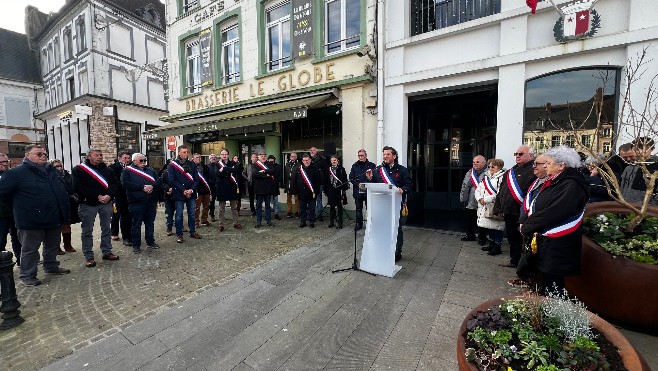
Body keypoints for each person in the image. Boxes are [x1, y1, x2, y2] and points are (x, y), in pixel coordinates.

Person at [520, 146, 589, 294]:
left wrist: (527, 226)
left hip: (559, 244)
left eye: (548, 163)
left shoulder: (571, 184)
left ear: (561, 165)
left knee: (553, 285)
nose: (545, 166)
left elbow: (554, 211)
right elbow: (539, 203)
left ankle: (552, 313)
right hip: (548, 242)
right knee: (545, 279)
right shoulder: (556, 180)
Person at [0, 145, 71, 286]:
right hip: (30, 219)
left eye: (45, 153)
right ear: (27, 155)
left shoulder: (52, 171)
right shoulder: (16, 173)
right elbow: (3, 195)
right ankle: (27, 275)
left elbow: (62, 190)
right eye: (39, 154)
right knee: (30, 249)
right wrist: (22, 209)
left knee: (52, 245)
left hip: (53, 216)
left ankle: (51, 266)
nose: (43, 156)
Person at [73, 149, 121, 268]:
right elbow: (78, 187)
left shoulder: (107, 170)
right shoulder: (79, 169)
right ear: (89, 157)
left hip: (106, 203)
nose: (99, 157)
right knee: (87, 231)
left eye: (100, 155)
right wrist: (97, 195)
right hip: (88, 204)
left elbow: (115, 184)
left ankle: (107, 251)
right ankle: (89, 256)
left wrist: (109, 195)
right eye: (96, 155)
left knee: (106, 229)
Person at [507, 154, 549, 287]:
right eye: (534, 164)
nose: (534, 166)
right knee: (527, 252)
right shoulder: (537, 180)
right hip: (526, 220)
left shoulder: (549, 182)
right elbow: (529, 202)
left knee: (533, 254)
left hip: (537, 225)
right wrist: (522, 220)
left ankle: (532, 282)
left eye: (538, 164)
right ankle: (526, 278)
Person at [365, 146, 412, 262]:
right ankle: (384, 248)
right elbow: (375, 186)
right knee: (383, 227)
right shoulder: (378, 171)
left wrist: (403, 189)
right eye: (384, 154)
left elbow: (409, 185)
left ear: (394, 156)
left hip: (396, 204)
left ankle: (397, 251)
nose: (385, 156)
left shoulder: (402, 170)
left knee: (396, 228)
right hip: (382, 204)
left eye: (388, 154)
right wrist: (370, 179)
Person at [493, 146, 536, 268]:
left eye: (521, 154)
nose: (517, 156)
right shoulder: (510, 172)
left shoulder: (534, 170)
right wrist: (498, 206)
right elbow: (501, 191)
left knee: (524, 239)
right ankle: (514, 260)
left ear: (531, 156)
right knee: (512, 237)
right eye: (516, 153)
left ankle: (525, 265)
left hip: (523, 212)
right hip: (509, 211)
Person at [121, 153, 161, 253]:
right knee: (136, 225)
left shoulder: (151, 170)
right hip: (136, 202)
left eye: (144, 161)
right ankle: (136, 245)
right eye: (141, 161)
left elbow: (159, 181)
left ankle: (150, 241)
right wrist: (142, 187)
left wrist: (152, 186)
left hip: (151, 202)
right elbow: (125, 183)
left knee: (149, 223)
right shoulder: (127, 171)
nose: (143, 163)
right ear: (134, 161)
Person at [168, 145, 202, 243]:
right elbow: (172, 180)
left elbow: (196, 179)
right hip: (179, 193)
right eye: (183, 152)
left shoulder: (192, 164)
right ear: (178, 153)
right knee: (179, 214)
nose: (186, 154)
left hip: (191, 193)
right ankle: (179, 234)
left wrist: (191, 190)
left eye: (187, 152)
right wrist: (183, 190)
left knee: (191, 214)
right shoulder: (172, 165)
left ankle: (193, 232)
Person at [474, 159, 505, 254]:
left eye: (493, 167)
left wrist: (485, 199)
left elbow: (501, 193)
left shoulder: (502, 177)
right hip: (485, 206)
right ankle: (491, 243)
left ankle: (497, 246)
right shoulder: (486, 176)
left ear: (499, 167)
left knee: (497, 226)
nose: (490, 168)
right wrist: (479, 198)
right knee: (489, 225)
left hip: (495, 206)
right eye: (489, 166)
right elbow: (478, 189)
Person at [50, 159, 79, 255]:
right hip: (56, 204)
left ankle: (67, 245)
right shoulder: (50, 176)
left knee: (67, 224)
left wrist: (73, 195)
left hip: (68, 204)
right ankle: (56, 247)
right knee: (57, 227)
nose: (59, 168)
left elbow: (73, 187)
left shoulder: (68, 176)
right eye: (56, 166)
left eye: (60, 165)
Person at [620, 137, 658, 206]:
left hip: (646, 210)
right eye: (635, 149)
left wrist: (649, 206)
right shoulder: (629, 167)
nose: (637, 151)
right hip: (625, 207)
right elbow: (622, 188)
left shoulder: (656, 166)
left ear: (651, 149)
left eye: (640, 148)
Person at [460, 155, 487, 245]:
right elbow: (464, 185)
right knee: (469, 220)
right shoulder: (469, 172)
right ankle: (470, 235)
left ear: (484, 163)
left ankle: (482, 238)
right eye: (474, 162)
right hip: (470, 201)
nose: (475, 164)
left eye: (477, 162)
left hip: (481, 202)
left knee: (482, 222)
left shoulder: (488, 173)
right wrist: (462, 197)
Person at [0, 153, 22, 263]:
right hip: (1, 214)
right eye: (2, 162)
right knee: (1, 240)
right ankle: (3, 264)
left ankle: (21, 260)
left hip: (14, 211)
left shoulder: (12, 174)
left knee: (18, 237)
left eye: (6, 161)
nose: (5, 164)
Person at [215, 149, 243, 231]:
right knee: (221, 209)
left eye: (226, 154)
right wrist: (228, 171)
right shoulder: (217, 164)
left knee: (234, 207)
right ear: (220, 155)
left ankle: (236, 223)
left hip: (231, 187)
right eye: (222, 154)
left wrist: (224, 169)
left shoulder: (233, 163)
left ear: (228, 155)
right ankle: (221, 224)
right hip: (221, 187)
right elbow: (218, 173)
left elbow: (236, 170)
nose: (224, 156)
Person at [291, 154, 321, 228]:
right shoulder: (299, 169)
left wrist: (316, 192)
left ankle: (311, 222)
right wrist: (295, 191)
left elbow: (318, 181)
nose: (306, 161)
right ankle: (303, 222)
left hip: (311, 193)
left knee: (312, 209)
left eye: (307, 160)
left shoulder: (315, 169)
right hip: (301, 193)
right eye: (304, 160)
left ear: (310, 160)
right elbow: (294, 180)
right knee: (302, 209)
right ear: (302, 161)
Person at [349, 149, 376, 231]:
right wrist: (357, 184)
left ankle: (370, 224)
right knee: (358, 209)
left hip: (368, 191)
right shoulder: (354, 166)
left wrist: (366, 183)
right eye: (359, 155)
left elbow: (374, 177)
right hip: (358, 190)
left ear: (366, 156)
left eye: (362, 155)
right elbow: (351, 177)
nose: (360, 157)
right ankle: (359, 223)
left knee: (370, 209)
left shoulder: (371, 165)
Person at [110, 151, 132, 246]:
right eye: (125, 158)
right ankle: (118, 234)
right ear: (119, 158)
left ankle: (128, 235)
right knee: (117, 215)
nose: (127, 160)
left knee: (127, 216)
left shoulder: (132, 167)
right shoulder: (113, 168)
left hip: (129, 195)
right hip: (118, 195)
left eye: (128, 158)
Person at [251, 152, 276, 227]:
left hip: (267, 189)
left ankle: (269, 221)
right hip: (259, 189)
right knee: (258, 206)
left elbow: (273, 171)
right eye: (261, 156)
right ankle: (259, 221)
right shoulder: (254, 165)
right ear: (258, 157)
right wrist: (266, 175)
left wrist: (264, 171)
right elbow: (255, 174)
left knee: (268, 206)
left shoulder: (268, 164)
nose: (263, 157)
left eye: (264, 156)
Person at [325, 155, 349, 229]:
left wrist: (343, 190)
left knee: (339, 207)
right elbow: (325, 181)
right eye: (332, 160)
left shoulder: (342, 169)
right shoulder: (328, 170)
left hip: (339, 190)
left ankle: (340, 222)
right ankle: (331, 222)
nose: (333, 161)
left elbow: (345, 180)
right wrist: (326, 191)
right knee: (332, 207)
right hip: (331, 190)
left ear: (337, 161)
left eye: (335, 160)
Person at [192, 153, 212, 227]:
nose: (199, 159)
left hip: (206, 189)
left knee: (206, 207)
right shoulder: (191, 167)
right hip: (197, 190)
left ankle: (204, 220)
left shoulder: (205, 167)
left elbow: (208, 178)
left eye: (200, 157)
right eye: (197, 157)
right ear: (193, 159)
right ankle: (196, 222)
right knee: (196, 208)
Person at [310, 147, 328, 221]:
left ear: (316, 151)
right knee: (311, 200)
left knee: (318, 199)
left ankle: (319, 215)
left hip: (319, 183)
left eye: (313, 150)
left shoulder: (322, 160)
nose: (312, 151)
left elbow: (326, 171)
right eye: (311, 150)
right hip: (310, 183)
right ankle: (312, 215)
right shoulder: (308, 160)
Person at [158, 161, 176, 236]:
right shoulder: (165, 172)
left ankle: (180, 227)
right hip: (168, 196)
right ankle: (169, 228)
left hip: (178, 195)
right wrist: (168, 189)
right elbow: (161, 183)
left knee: (179, 213)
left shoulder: (179, 172)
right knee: (169, 212)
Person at [284, 152, 300, 218]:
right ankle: (289, 211)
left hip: (296, 184)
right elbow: (285, 174)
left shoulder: (299, 165)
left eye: (294, 156)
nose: (292, 157)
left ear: (296, 157)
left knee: (297, 199)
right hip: (288, 184)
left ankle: (296, 212)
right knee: (288, 199)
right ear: (290, 157)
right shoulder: (287, 164)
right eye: (291, 156)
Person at [268, 155, 283, 220]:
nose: (271, 161)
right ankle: (268, 214)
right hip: (268, 186)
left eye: (272, 159)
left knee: (276, 201)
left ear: (274, 160)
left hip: (275, 186)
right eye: (270, 160)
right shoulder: (266, 166)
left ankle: (276, 214)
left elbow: (280, 175)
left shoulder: (278, 166)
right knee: (267, 201)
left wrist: (277, 181)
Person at [207, 154, 219, 222]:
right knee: (212, 202)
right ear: (210, 159)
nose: (213, 159)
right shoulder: (207, 167)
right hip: (211, 186)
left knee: (221, 201)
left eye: (214, 158)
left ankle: (221, 215)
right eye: (212, 158)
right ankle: (212, 215)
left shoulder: (219, 166)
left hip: (219, 186)